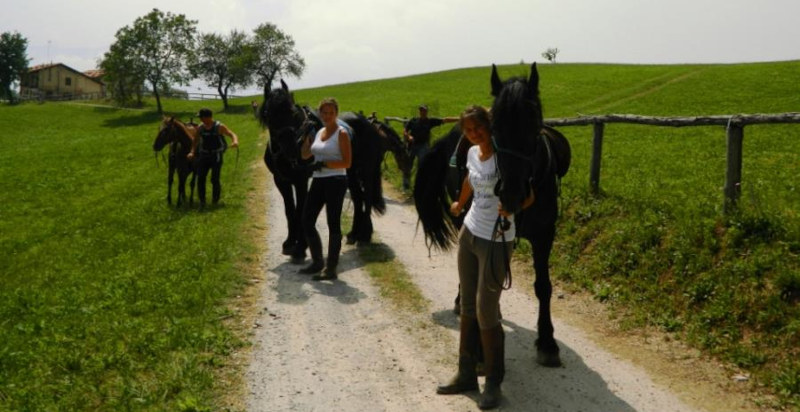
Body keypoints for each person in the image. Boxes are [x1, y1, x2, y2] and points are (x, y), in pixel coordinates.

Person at [436, 106, 533, 410]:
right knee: (466, 302)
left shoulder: (505, 159)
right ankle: (466, 373)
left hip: (497, 239)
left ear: (489, 126)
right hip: (470, 233)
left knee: (486, 310)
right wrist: (459, 202)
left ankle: (493, 381)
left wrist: (513, 207)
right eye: (468, 130)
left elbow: (530, 194)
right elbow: (468, 180)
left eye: (478, 127)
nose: (474, 134)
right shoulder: (471, 153)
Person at [298, 98, 352, 280]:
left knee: (333, 223)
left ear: (336, 114)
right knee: (307, 220)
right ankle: (317, 261)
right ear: (320, 113)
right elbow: (306, 155)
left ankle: (331, 268)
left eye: (331, 113)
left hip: (336, 181)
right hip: (319, 180)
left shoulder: (341, 133)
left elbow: (347, 162)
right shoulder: (320, 131)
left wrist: (325, 164)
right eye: (324, 112)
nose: (327, 116)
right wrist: (306, 141)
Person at [188, 108, 239, 209]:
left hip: (216, 156)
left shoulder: (219, 126)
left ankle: (215, 201)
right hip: (203, 155)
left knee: (214, 179)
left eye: (201, 117)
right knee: (201, 178)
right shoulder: (200, 127)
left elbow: (231, 133)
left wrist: (235, 141)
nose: (200, 119)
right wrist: (192, 151)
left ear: (207, 117)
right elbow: (195, 140)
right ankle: (202, 202)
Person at [403, 104, 458, 189]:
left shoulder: (430, 121)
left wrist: (459, 119)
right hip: (412, 146)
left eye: (424, 111)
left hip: (423, 146)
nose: (423, 112)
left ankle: (419, 185)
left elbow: (445, 120)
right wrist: (408, 136)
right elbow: (405, 130)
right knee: (407, 164)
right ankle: (406, 183)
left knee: (421, 166)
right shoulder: (413, 120)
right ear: (419, 111)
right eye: (421, 111)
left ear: (427, 112)